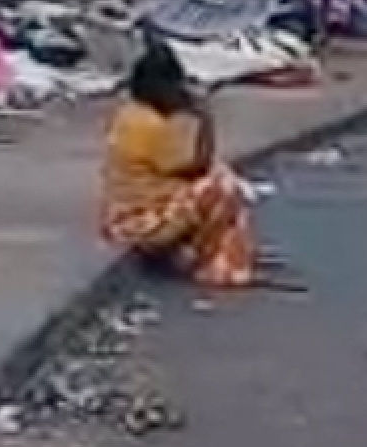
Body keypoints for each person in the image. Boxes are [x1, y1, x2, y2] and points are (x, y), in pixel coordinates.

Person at [101, 45, 258, 287]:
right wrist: (202, 116)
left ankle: (204, 252)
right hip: (139, 222)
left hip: (128, 216)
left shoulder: (131, 114)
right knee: (220, 184)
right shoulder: (147, 124)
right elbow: (196, 166)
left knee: (218, 179)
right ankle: (215, 265)